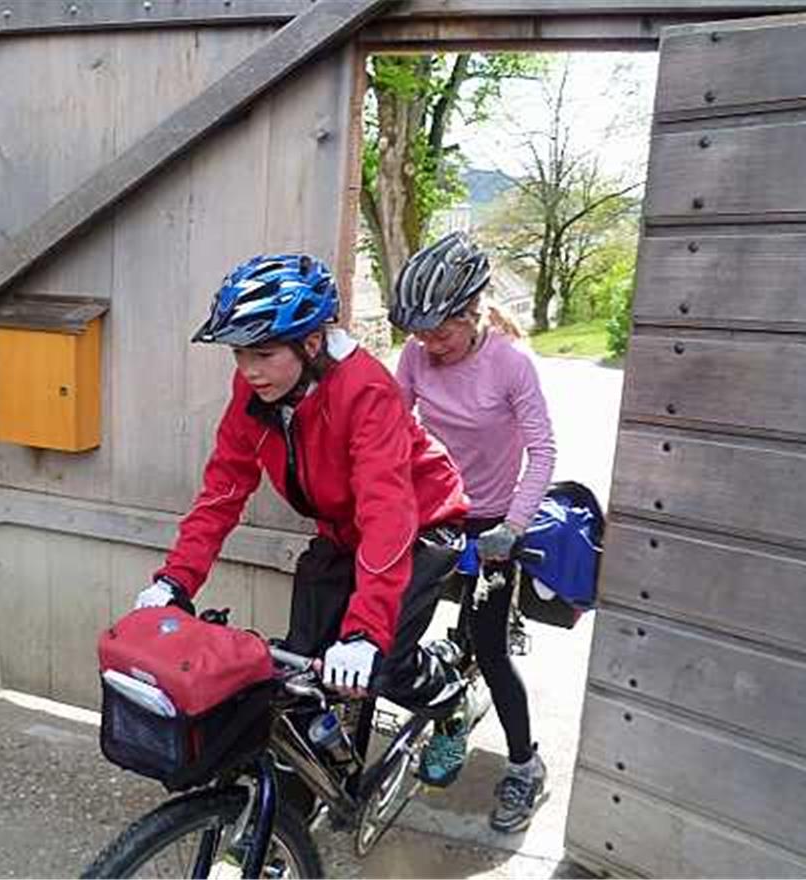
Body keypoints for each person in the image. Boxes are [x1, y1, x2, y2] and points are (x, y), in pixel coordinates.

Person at [135, 252, 471, 718]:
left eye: (263, 353)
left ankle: (450, 697)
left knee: (384, 665)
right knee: (301, 670)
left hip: (420, 524)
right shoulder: (257, 388)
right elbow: (225, 488)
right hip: (342, 531)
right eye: (239, 353)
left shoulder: (365, 390)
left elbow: (387, 514)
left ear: (312, 343)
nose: (249, 369)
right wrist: (176, 580)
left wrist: (365, 632)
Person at [389, 231, 557, 834]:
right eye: (420, 332)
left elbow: (542, 452)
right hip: (433, 511)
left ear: (473, 312)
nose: (430, 344)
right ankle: (448, 712)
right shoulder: (414, 354)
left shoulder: (510, 364)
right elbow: (389, 427)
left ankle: (524, 765)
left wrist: (512, 528)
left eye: (442, 331)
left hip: (492, 522)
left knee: (485, 644)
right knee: (396, 629)